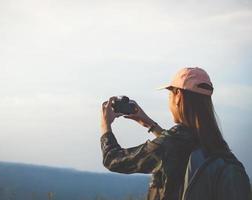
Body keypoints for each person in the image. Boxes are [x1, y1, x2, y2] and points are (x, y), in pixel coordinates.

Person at [100, 67, 250, 200]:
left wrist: (105, 125)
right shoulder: (216, 144)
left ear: (178, 95)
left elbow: (113, 160)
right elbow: (177, 148)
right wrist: (149, 124)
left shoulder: (173, 143)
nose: (169, 100)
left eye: (169, 95)